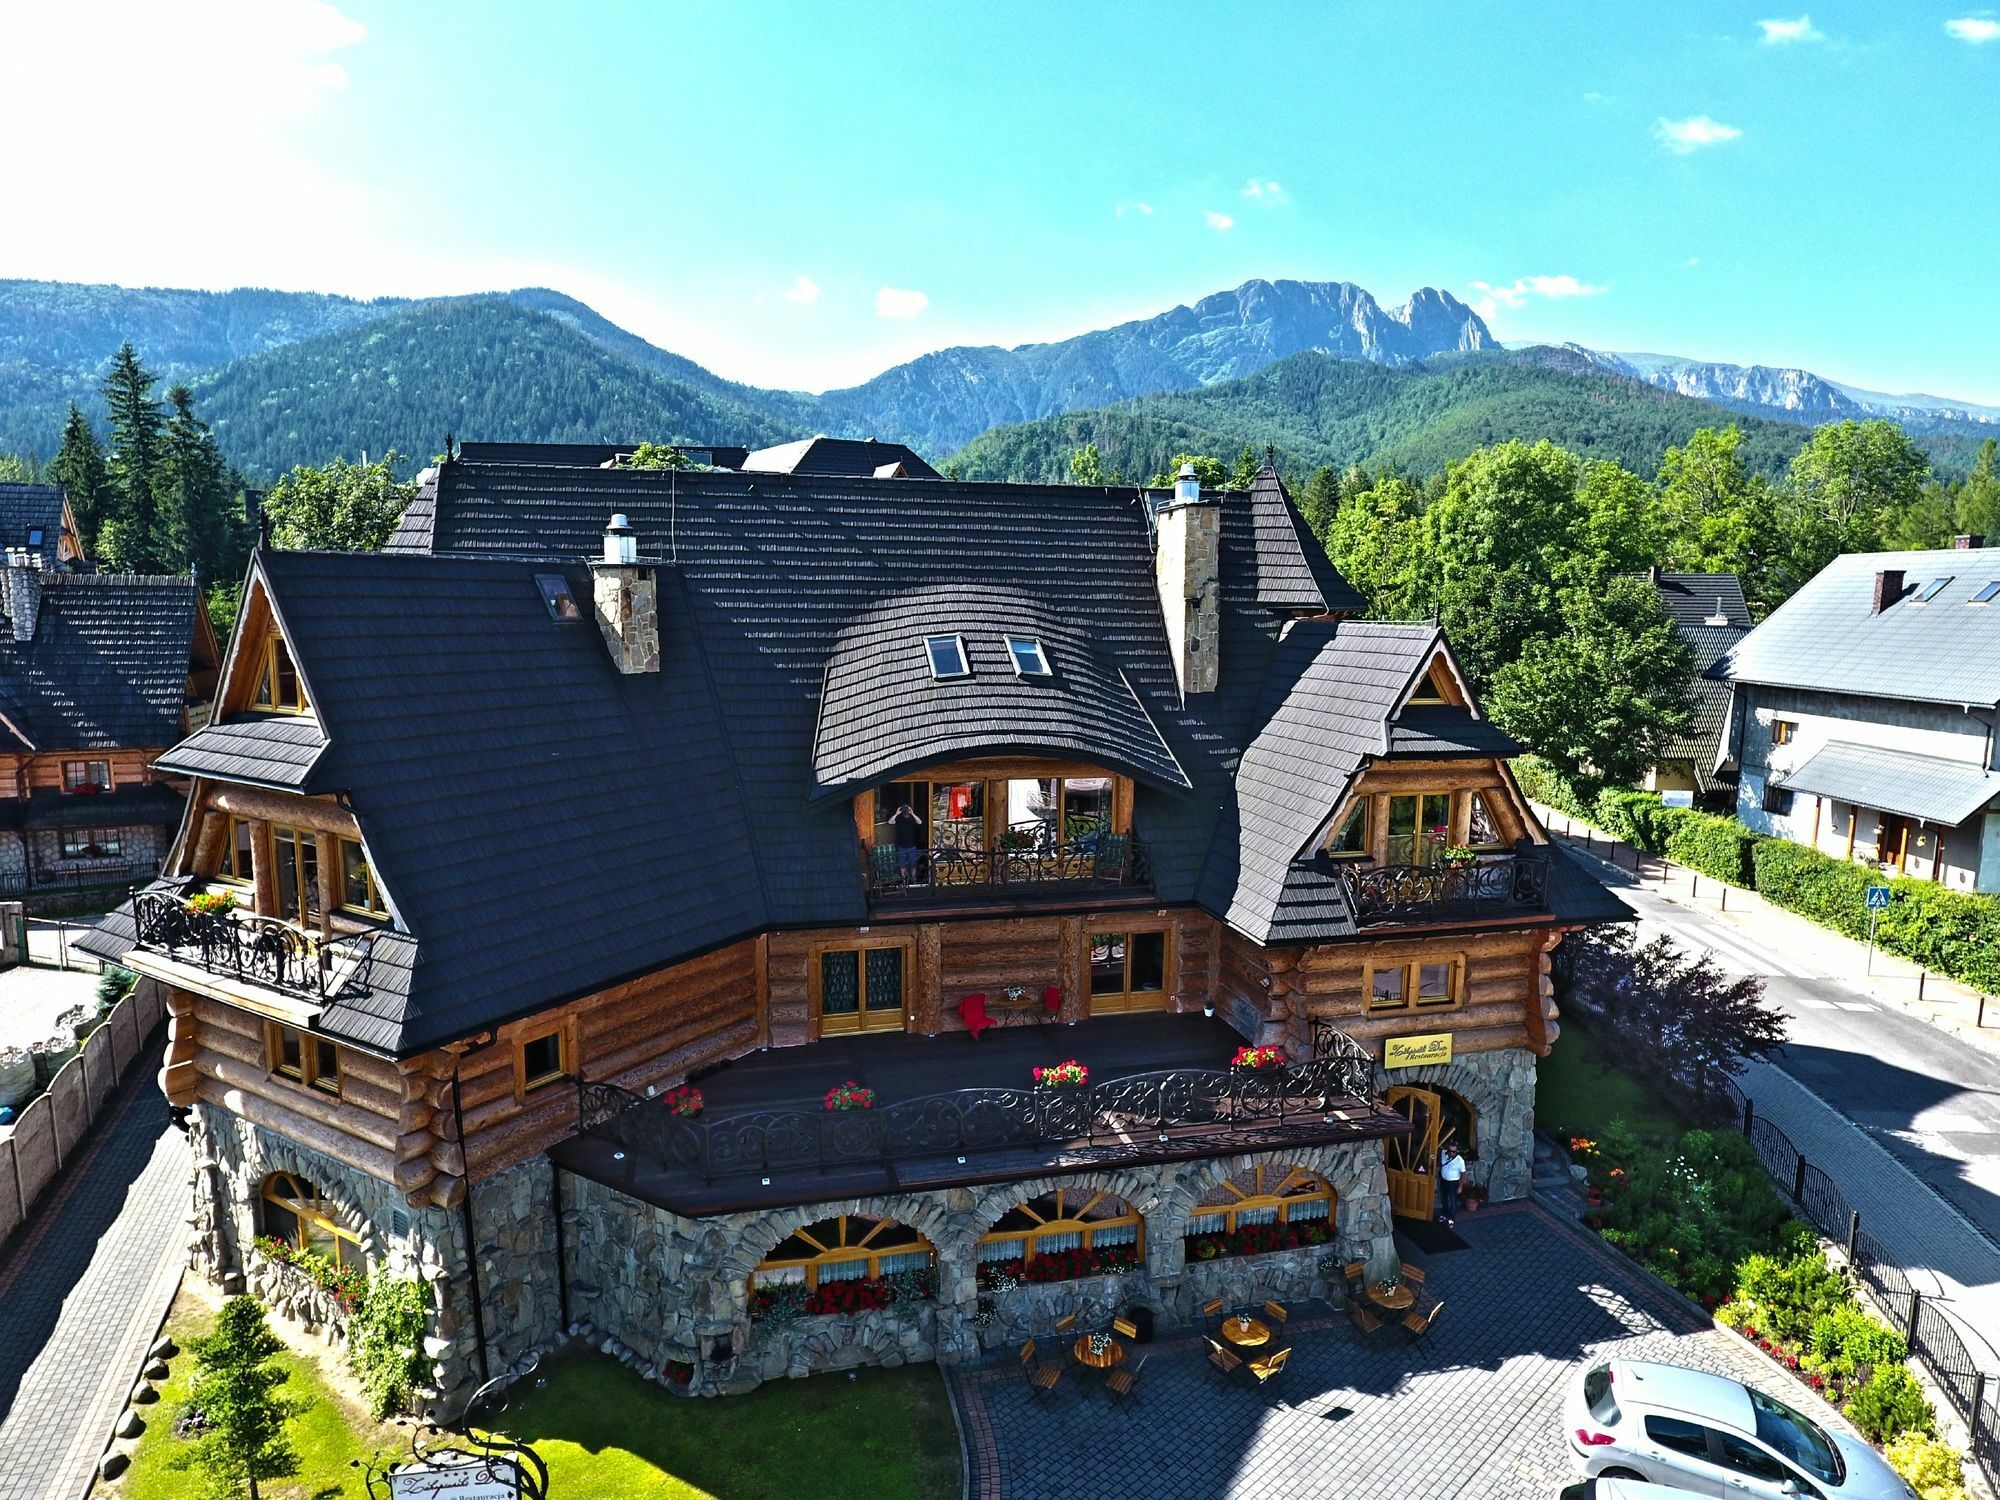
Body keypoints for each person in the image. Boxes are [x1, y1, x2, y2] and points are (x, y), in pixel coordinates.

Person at [889, 802, 925, 880]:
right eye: (904, 809)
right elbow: (890, 822)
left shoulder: (912, 819)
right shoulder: (899, 819)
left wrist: (912, 813)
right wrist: (896, 814)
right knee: (902, 865)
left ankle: (913, 879)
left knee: (913, 865)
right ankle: (904, 880)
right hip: (901, 846)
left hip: (911, 846)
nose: (905, 811)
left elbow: (920, 822)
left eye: (907, 809)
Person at [1438, 1142, 1465, 1226]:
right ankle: (1445, 1214)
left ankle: (1452, 1218)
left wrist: (1460, 1186)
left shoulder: (1460, 1160)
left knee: (1453, 1200)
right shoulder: (1443, 1153)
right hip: (1443, 1180)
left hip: (1453, 1182)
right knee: (1444, 1198)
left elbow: (1463, 1174)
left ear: (1456, 1152)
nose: (1451, 1153)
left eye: (1453, 1151)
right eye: (1449, 1151)